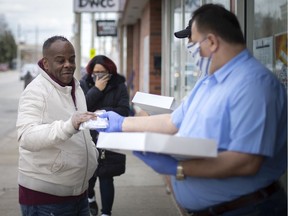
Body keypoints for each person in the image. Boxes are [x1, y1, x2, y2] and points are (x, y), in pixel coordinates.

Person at [97, 4, 287, 216]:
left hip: (248, 209)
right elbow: (171, 122)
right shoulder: (209, 82)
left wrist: (177, 169)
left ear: (213, 42)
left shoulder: (254, 85)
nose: (190, 49)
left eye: (194, 43)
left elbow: (246, 162)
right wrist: (120, 123)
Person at [16, 35, 99, 216]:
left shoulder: (75, 87)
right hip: (46, 200)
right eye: (60, 60)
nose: (68, 64)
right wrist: (69, 126)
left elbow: (80, 130)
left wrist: (92, 152)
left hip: (79, 194)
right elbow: (26, 137)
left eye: (71, 59)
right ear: (46, 64)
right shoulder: (35, 91)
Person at [80, 55, 130, 216]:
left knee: (107, 178)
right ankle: (91, 199)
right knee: (89, 177)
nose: (99, 75)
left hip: (110, 136)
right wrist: (97, 89)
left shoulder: (119, 85)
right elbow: (82, 108)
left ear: (110, 71)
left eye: (103, 72)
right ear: (91, 72)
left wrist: (101, 113)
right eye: (95, 72)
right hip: (89, 137)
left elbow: (124, 110)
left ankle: (106, 213)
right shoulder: (85, 84)